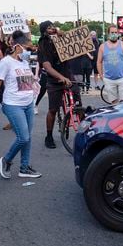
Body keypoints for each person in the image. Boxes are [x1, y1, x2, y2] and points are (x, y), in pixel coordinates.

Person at [0, 30, 41, 179]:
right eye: (27, 48)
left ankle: (24, 167)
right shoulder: (5, 63)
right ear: (18, 47)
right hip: (12, 105)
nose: (28, 52)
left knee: (27, 137)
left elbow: (27, 82)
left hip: (28, 104)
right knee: (23, 137)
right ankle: (6, 160)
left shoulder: (24, 63)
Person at [38, 20, 77, 149]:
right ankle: (48, 136)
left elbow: (75, 40)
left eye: (53, 27)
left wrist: (63, 34)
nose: (53, 29)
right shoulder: (43, 45)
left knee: (78, 103)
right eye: (49, 28)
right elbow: (47, 67)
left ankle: (85, 132)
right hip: (54, 80)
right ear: (44, 32)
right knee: (53, 109)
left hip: (68, 76)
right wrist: (61, 77)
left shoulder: (61, 39)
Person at [97, 25, 123, 104]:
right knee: (113, 104)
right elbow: (99, 62)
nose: (114, 34)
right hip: (109, 79)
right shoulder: (102, 47)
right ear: (108, 34)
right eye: (112, 32)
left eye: (116, 32)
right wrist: (101, 76)